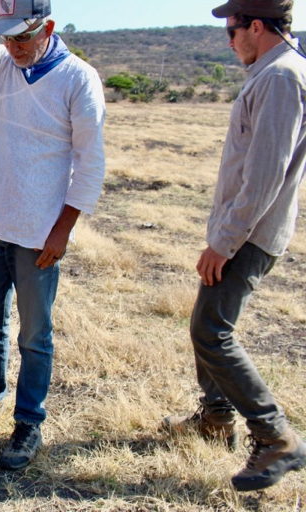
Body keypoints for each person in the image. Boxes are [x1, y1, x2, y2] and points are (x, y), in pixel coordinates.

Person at [0, 0, 106, 470]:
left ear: (48, 27)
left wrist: (61, 231)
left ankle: (29, 421)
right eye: (6, 37)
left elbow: (91, 164)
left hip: (39, 232)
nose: (13, 47)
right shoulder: (4, 61)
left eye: (23, 37)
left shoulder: (78, 78)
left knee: (35, 334)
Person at [162, 0, 306, 492]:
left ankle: (275, 436)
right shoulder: (273, 72)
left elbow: (264, 175)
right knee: (206, 324)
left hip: (249, 234)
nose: (228, 41)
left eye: (232, 30)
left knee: (212, 331)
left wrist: (224, 242)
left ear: (257, 26)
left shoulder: (280, 77)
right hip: (242, 230)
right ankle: (215, 418)